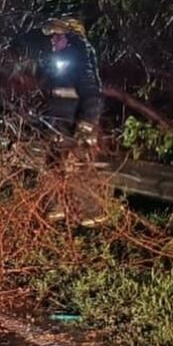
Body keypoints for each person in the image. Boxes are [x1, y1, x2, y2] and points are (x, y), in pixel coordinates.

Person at [38, 17, 106, 225]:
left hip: (74, 128)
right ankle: (55, 206)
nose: (53, 41)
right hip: (59, 128)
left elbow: (93, 96)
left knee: (77, 168)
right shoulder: (62, 64)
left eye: (57, 37)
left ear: (71, 39)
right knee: (53, 166)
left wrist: (86, 125)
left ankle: (92, 211)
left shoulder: (79, 61)